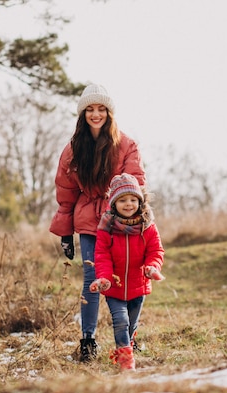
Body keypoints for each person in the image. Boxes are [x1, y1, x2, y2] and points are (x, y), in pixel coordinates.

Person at [49, 84, 146, 363]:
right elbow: (66, 193)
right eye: (90, 109)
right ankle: (88, 341)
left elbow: (135, 185)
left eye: (101, 109)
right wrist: (65, 233)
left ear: (109, 113)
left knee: (129, 279)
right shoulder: (73, 150)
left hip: (122, 221)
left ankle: (130, 336)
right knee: (93, 280)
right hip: (90, 223)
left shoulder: (126, 145)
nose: (95, 114)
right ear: (83, 114)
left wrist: (138, 219)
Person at [89, 173, 165, 371]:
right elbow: (102, 255)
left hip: (138, 285)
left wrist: (152, 267)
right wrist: (104, 278)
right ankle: (125, 359)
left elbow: (156, 250)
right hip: (115, 287)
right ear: (114, 204)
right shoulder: (107, 228)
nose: (128, 204)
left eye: (133, 199)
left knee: (131, 324)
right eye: (122, 200)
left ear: (140, 201)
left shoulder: (148, 227)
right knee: (121, 322)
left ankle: (129, 342)